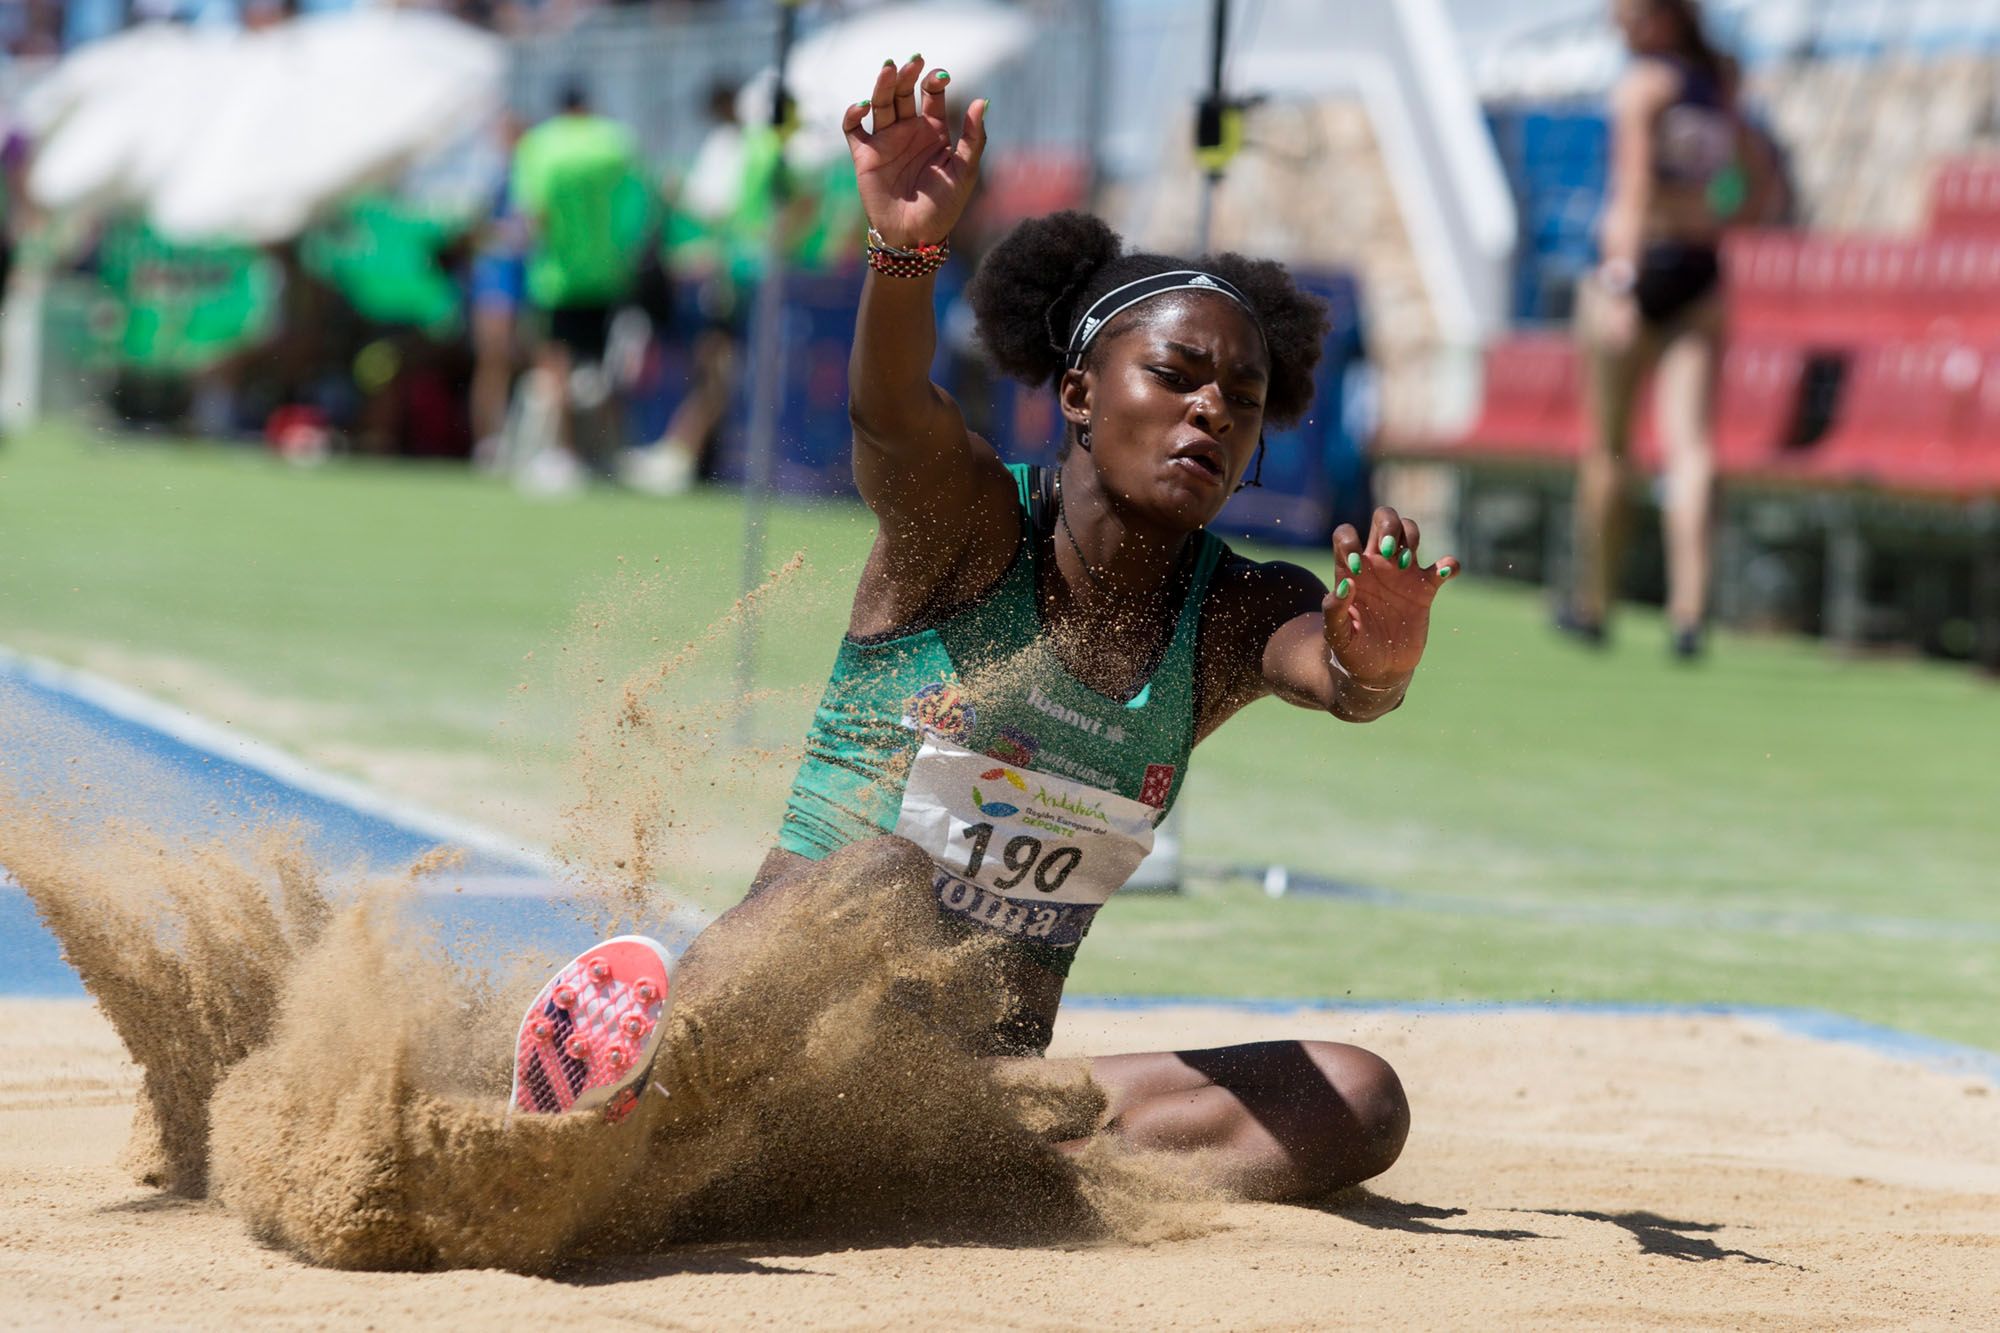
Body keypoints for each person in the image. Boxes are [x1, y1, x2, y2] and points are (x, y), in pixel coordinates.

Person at [513, 58, 1460, 1202]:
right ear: (1076, 394)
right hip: (772, 1032)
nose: (1210, 407)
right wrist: (906, 252)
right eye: (1174, 373)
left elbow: (1339, 673)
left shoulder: (1231, 611)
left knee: (1353, 1097)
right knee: (883, 881)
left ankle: (933, 1168)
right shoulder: (966, 528)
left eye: (1242, 400)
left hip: (968, 1092)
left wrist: (1379, 654)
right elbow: (889, 410)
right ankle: (638, 1087)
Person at [1563, 0, 1779, 658]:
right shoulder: (1717, 85)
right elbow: (1757, 188)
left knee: (1608, 449)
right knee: (1692, 448)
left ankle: (1594, 603)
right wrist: (1708, 211)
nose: (1613, 18)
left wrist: (1623, 284)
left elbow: (1628, 191)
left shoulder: (1644, 85)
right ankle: (1688, 612)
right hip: (1699, 268)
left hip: (1641, 266)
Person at [509, 84, 650, 491]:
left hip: (558, 276)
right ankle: (612, 454)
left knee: (555, 368)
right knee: (604, 372)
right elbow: (639, 206)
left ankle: (565, 455)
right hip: (610, 272)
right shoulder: (616, 143)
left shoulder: (539, 145)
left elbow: (535, 214)